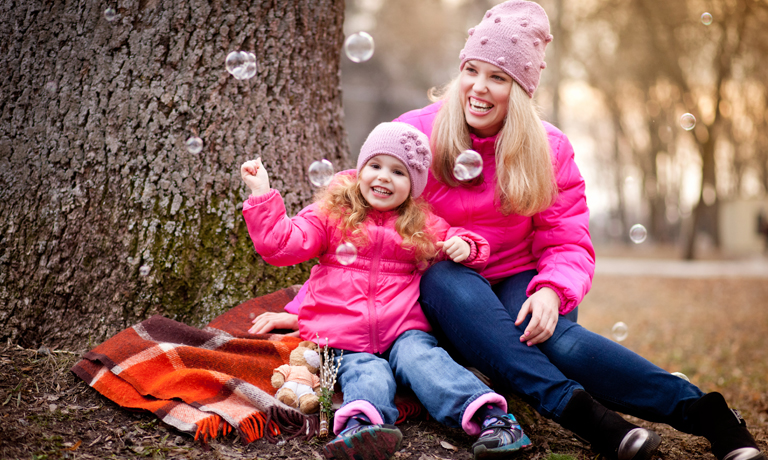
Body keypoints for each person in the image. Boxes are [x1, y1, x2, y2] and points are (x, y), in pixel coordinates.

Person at [251, 2, 767, 460]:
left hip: (519, 276)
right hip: (450, 292)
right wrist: (301, 305)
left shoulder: (549, 149)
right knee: (444, 277)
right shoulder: (418, 134)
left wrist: (551, 290)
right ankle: (588, 419)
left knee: (559, 341)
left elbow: (567, 239)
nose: (478, 87)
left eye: (497, 77)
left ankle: (706, 414)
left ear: (520, 89)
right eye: (471, 70)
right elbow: (370, 237)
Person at [240, 122, 534, 460]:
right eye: (375, 166)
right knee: (365, 371)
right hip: (345, 338)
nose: (383, 177)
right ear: (361, 168)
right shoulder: (331, 215)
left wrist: (466, 246)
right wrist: (261, 194)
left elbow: (462, 240)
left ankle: (491, 418)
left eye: (398, 172)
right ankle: (363, 427)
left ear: (413, 186)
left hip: (403, 332)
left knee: (423, 359)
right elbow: (282, 246)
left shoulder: (420, 225)